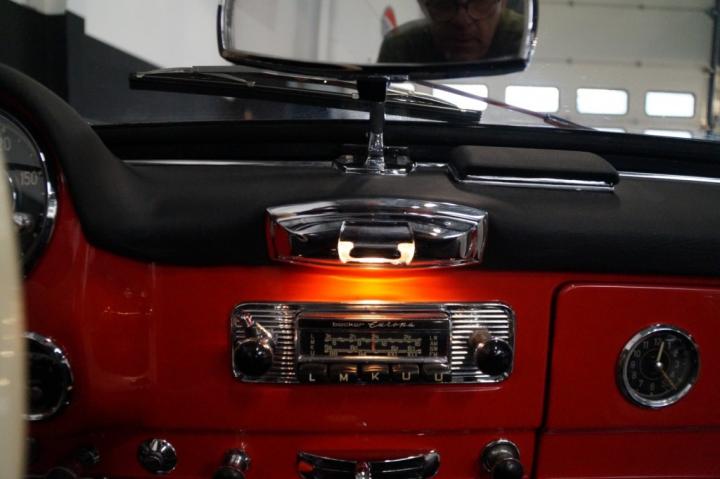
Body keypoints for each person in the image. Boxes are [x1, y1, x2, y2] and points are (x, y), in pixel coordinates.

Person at [378, 0, 525, 63]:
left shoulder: (525, 39)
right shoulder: (400, 47)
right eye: (443, 3)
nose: (462, 21)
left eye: (480, 2)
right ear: (423, 6)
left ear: (503, 3)